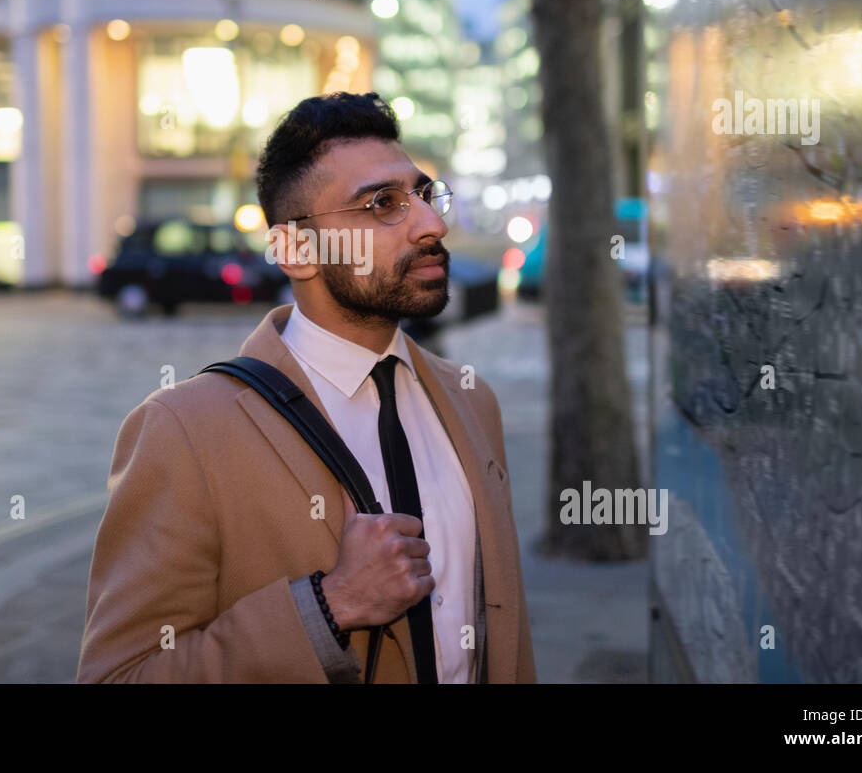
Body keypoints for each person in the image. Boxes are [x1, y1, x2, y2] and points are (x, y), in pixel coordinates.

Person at [77, 92, 536, 683]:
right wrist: (328, 607)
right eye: (382, 204)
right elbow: (120, 675)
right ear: (296, 250)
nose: (433, 224)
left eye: (424, 195)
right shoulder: (185, 432)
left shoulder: (473, 400)